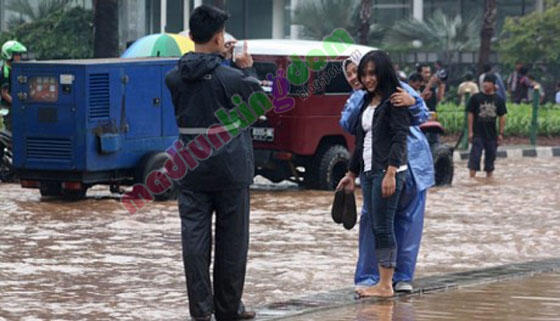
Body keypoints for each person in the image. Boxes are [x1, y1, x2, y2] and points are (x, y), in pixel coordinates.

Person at [165, 5, 261, 321]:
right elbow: (258, 105)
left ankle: (201, 312)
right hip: (231, 170)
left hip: (191, 167)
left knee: (194, 240)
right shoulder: (232, 76)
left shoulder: (174, 78)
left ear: (191, 36)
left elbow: (200, 81)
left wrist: (220, 60)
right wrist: (245, 68)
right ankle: (228, 309)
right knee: (232, 243)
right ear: (219, 36)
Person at [340, 54, 433, 294]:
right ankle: (372, 277)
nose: (355, 77)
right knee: (374, 222)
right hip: (377, 167)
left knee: (407, 223)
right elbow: (351, 128)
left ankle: (400, 278)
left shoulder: (398, 92)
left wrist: (411, 100)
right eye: (351, 73)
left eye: (358, 71)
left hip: (408, 166)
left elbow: (419, 116)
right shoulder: (361, 100)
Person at [467, 74, 507, 178]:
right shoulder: (475, 98)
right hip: (477, 133)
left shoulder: (499, 100)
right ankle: (472, 179)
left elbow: (502, 116)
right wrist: (470, 132)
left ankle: (489, 179)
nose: (485, 84)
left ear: (494, 85)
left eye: (488, 82)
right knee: (474, 158)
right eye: (484, 82)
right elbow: (470, 114)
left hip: (492, 135)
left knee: (490, 160)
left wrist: (501, 133)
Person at [1, 40, 27, 132]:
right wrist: (17, 104)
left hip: (16, 106)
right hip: (9, 108)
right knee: (13, 133)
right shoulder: (6, 71)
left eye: (20, 54)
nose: (19, 57)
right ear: (9, 55)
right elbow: (4, 93)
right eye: (16, 54)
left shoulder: (15, 69)